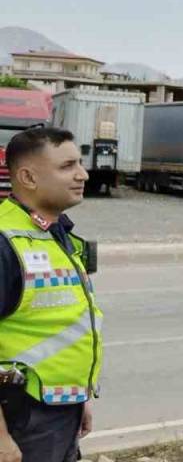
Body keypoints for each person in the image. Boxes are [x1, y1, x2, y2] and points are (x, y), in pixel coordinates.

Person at [0, 128, 101, 462]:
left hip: (58, 411)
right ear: (28, 177)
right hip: (21, 417)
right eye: (67, 166)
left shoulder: (56, 233)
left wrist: (78, 398)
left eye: (80, 163)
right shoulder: (5, 241)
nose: (82, 174)